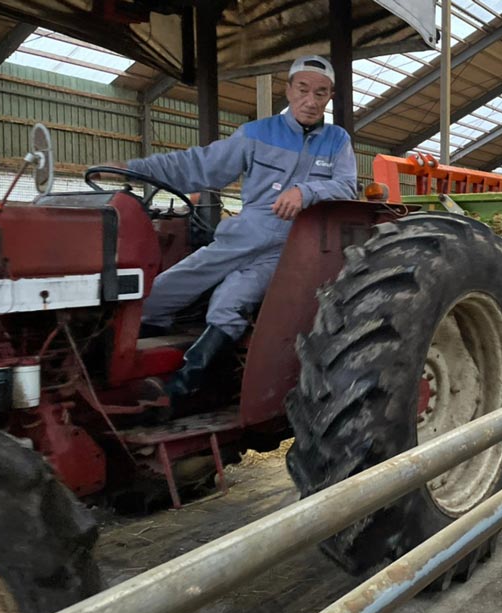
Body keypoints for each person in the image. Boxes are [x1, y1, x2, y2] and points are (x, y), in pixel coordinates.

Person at [113, 54, 357, 405]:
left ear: (329, 97)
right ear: (288, 90)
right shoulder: (257, 134)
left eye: (321, 93)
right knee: (158, 295)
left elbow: (346, 186)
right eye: (303, 90)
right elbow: (199, 165)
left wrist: (305, 192)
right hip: (245, 235)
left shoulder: (337, 140)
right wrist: (133, 169)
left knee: (229, 301)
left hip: (291, 249)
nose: (311, 100)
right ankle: (127, 367)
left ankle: (183, 389)